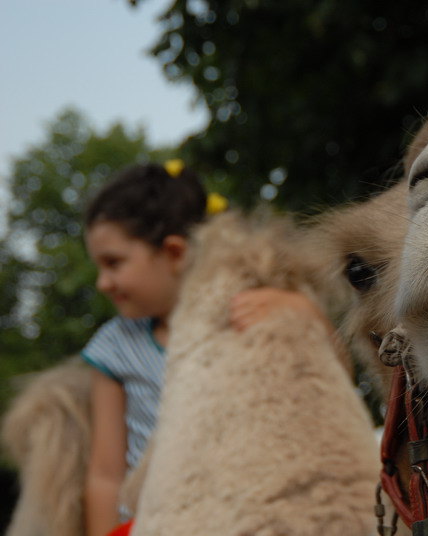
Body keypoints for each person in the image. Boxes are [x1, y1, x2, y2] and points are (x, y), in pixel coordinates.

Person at [80, 160, 325, 536]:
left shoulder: (248, 313)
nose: (103, 282)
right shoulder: (114, 346)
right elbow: (106, 473)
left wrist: (305, 314)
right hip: (157, 521)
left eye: (113, 263)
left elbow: (332, 379)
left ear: (175, 253)